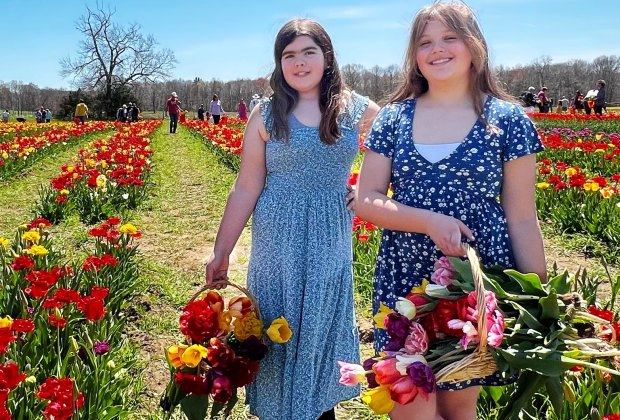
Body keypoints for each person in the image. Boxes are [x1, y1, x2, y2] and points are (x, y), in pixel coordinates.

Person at [355, 3, 547, 420]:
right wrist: (429, 222)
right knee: (409, 407)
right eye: (425, 42)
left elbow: (521, 218)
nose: (436, 49)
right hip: (406, 283)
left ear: (474, 46)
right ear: (414, 55)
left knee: (459, 409)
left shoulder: (506, 119)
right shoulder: (394, 118)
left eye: (449, 38)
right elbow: (367, 198)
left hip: (472, 288)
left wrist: (537, 298)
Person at [205, 18, 379, 420]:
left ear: (327, 56)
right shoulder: (266, 115)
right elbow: (246, 187)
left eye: (308, 52)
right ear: (278, 63)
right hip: (276, 241)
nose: (299, 63)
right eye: (289, 55)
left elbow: (398, 150)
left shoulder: (356, 109)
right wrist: (221, 251)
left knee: (318, 325)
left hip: (328, 238)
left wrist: (368, 192)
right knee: (275, 328)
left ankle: (317, 410)